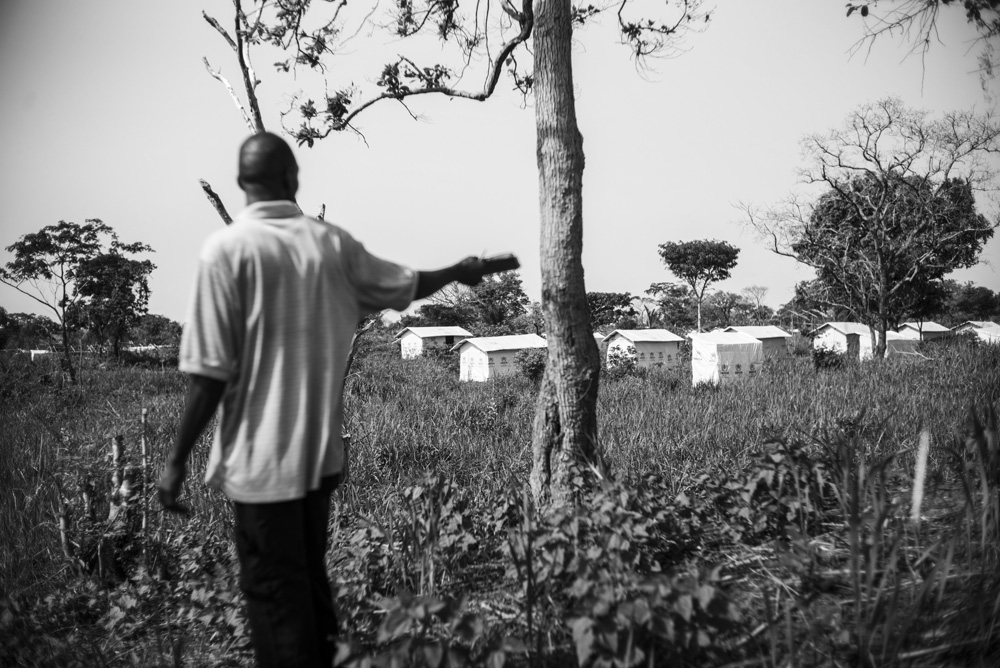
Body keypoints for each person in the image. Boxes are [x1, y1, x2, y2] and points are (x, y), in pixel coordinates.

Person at [157, 131, 492, 668]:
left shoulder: (227, 251)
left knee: (275, 599)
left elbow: (208, 375)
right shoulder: (331, 245)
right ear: (293, 180)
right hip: (318, 458)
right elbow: (407, 284)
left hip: (260, 463)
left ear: (242, 183)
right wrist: (459, 270)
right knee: (309, 582)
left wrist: (175, 462)